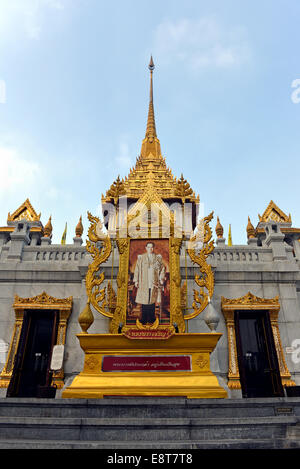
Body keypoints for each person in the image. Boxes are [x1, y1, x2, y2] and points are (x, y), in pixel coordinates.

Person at [133, 242, 165, 324]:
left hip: (153, 281)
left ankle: (151, 318)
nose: (150, 249)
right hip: (144, 281)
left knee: (152, 300)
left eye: (152, 247)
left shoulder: (157, 258)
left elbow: (162, 268)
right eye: (149, 247)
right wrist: (136, 280)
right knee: (145, 300)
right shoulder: (141, 258)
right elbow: (137, 269)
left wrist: (161, 278)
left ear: (153, 248)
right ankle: (144, 318)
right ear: (146, 248)